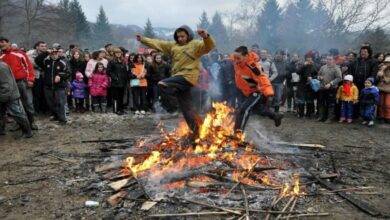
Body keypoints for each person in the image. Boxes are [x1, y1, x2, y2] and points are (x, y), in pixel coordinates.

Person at [136, 25, 216, 138]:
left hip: (188, 76)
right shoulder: (172, 46)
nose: (180, 39)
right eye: (178, 37)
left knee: (162, 84)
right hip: (177, 76)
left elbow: (209, 46)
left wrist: (205, 36)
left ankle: (173, 109)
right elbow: (158, 43)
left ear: (188, 35)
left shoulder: (195, 44)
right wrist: (143, 39)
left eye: (182, 36)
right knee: (187, 110)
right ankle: (197, 133)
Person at [231, 46, 283, 132]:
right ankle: (275, 116)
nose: (235, 60)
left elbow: (263, 79)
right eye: (234, 58)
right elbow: (232, 59)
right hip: (246, 90)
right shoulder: (237, 62)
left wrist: (268, 93)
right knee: (258, 110)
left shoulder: (253, 67)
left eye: (238, 58)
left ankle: (238, 133)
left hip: (256, 91)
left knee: (244, 109)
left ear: (246, 56)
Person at [0, 36, 37, 130]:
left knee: (27, 103)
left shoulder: (19, 54)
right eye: (0, 42)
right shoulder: (1, 56)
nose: (1, 44)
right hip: (9, 84)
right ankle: (21, 124)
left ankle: (32, 122)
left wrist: (30, 79)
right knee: (15, 105)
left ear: (8, 43)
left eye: (3, 42)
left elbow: (29, 67)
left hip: (22, 82)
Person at [35, 46, 70, 125]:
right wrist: (46, 52)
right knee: (51, 103)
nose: (54, 55)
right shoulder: (46, 62)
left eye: (56, 54)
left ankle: (62, 120)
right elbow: (37, 60)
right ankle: (56, 116)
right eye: (52, 54)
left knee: (60, 103)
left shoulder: (62, 62)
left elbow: (68, 73)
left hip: (59, 87)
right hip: (48, 87)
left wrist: (60, 76)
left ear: (58, 54)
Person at [0, 61, 33, 138]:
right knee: (1, 114)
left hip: (9, 95)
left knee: (17, 113)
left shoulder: (2, 67)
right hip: (3, 94)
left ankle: (27, 132)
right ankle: (1, 131)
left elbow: (7, 84)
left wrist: (3, 97)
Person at [348, 46, 378, 118]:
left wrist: (369, 82)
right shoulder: (356, 61)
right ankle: (355, 114)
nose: (363, 53)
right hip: (355, 83)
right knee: (355, 98)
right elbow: (350, 71)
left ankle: (366, 115)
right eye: (361, 51)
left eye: (365, 52)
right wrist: (350, 80)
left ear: (369, 53)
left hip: (367, 84)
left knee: (366, 100)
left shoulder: (373, 61)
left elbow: (373, 73)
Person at [316, 55, 342, 122]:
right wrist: (319, 77)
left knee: (331, 103)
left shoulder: (336, 68)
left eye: (330, 59)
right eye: (327, 59)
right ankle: (321, 116)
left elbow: (339, 78)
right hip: (322, 88)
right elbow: (318, 75)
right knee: (321, 102)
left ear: (333, 60)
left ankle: (330, 118)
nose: (328, 61)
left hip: (332, 88)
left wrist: (331, 83)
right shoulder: (323, 67)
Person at [107, 48, 130, 115]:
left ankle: (121, 109)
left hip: (123, 82)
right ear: (114, 54)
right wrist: (115, 78)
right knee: (115, 97)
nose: (118, 54)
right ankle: (116, 110)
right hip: (115, 83)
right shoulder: (111, 61)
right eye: (116, 53)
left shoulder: (123, 61)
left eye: (119, 53)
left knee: (121, 96)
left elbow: (125, 71)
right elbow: (108, 71)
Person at [27, 41, 47, 114]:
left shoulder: (46, 54)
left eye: (45, 46)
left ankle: (43, 109)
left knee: (44, 93)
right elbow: (33, 63)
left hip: (44, 76)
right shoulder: (31, 53)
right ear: (37, 47)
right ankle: (35, 110)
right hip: (35, 76)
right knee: (36, 94)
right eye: (42, 46)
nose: (44, 47)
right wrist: (43, 67)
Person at [296, 52, 318, 118]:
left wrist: (312, 77)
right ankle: (301, 114)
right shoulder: (302, 65)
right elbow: (298, 72)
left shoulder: (315, 66)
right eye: (307, 59)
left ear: (312, 59)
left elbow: (317, 75)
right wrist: (304, 65)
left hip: (310, 85)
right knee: (301, 100)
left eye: (310, 59)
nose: (309, 60)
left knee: (309, 100)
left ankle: (308, 114)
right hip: (302, 85)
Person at [376, 56, 390, 124]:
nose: (388, 64)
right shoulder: (381, 68)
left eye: (389, 62)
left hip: (388, 89)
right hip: (381, 88)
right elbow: (378, 78)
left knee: (387, 104)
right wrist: (381, 71)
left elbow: (387, 80)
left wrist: (383, 78)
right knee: (381, 103)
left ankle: (387, 117)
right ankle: (381, 116)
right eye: (386, 62)